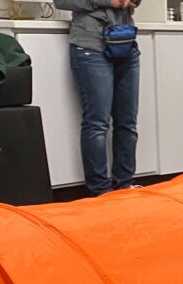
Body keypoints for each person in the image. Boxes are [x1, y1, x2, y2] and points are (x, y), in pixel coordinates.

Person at [55, 0, 142, 195]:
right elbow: (61, 2)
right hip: (91, 45)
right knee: (97, 123)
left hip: (125, 42)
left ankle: (125, 184)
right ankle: (100, 191)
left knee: (127, 122)